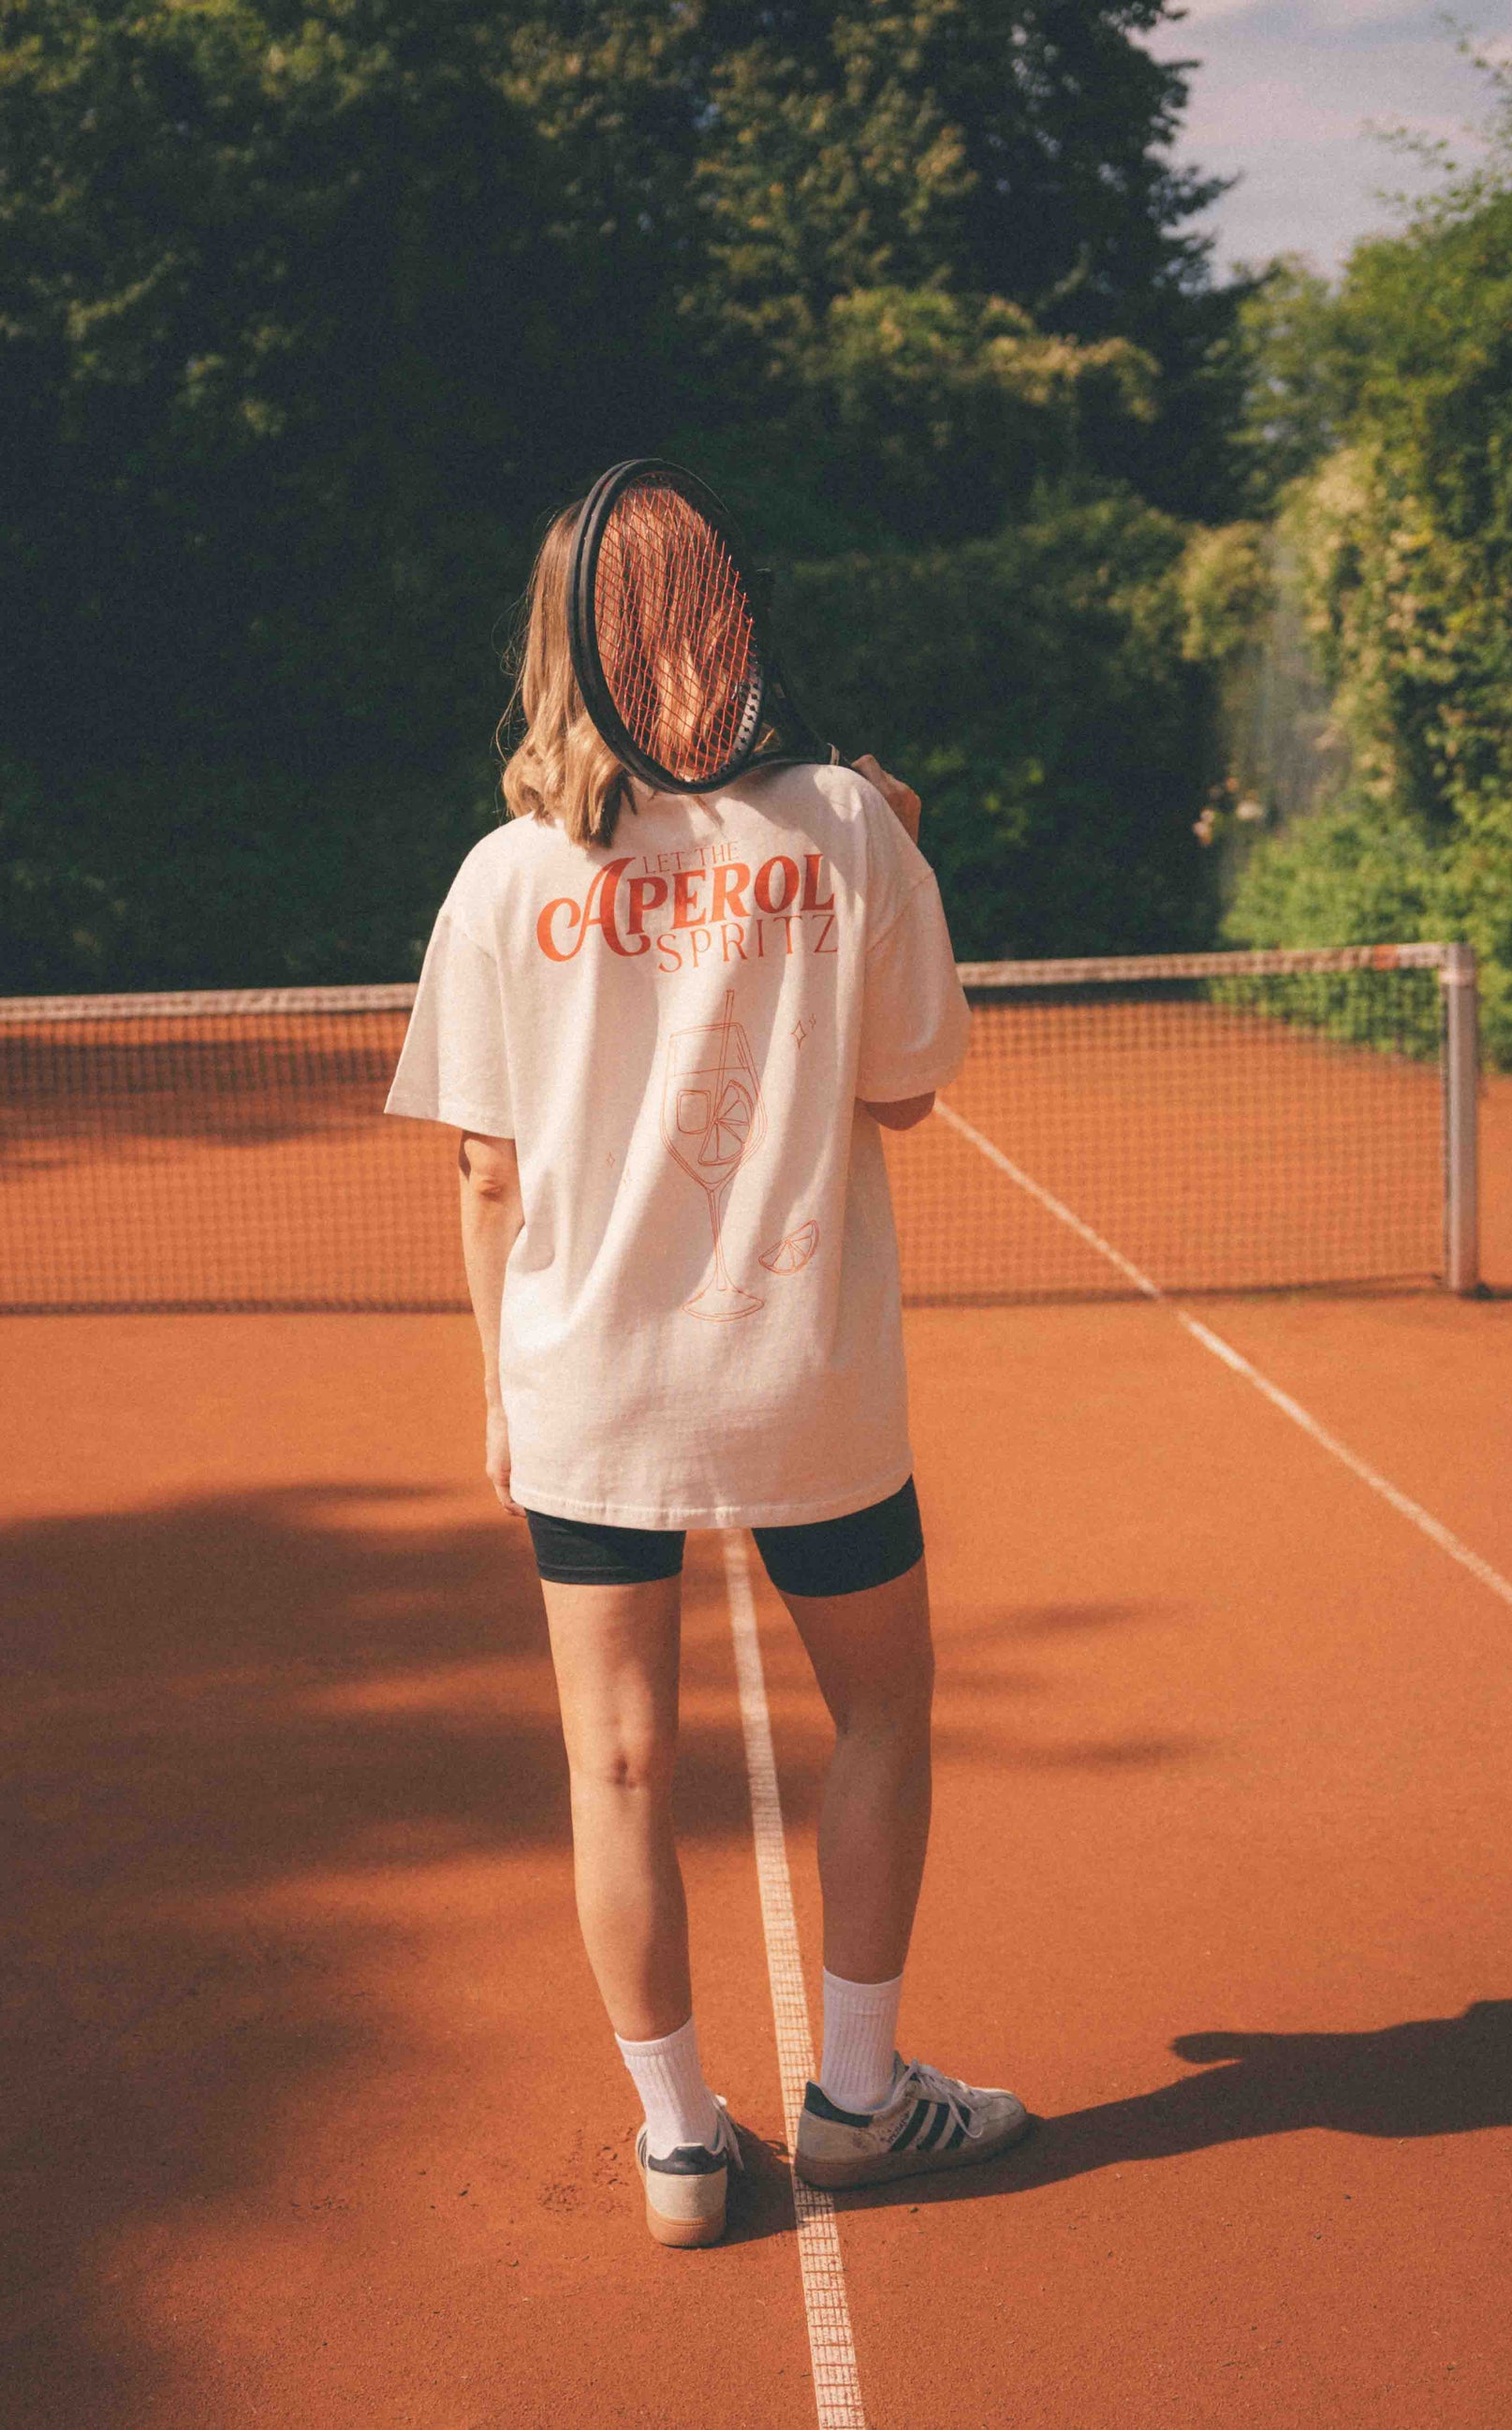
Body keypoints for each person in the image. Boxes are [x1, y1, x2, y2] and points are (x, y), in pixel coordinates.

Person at [384, 501, 1029, 2249]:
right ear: (726, 623)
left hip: (587, 1388)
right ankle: (860, 2102)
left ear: (561, 642)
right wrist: (896, 849)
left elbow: (487, 1174)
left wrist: (502, 1392)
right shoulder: (843, 823)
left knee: (613, 1770)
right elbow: (902, 1091)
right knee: (880, 1712)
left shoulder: (502, 874)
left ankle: (679, 2149)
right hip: (802, 1379)